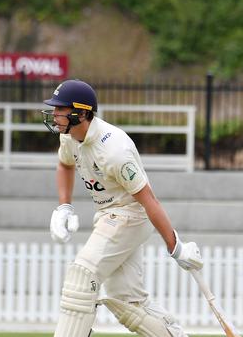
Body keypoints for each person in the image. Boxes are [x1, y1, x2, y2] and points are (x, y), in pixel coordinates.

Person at [41, 80, 203, 337]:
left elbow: (148, 199)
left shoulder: (113, 150)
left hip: (131, 215)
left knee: (82, 274)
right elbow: (65, 164)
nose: (55, 115)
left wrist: (176, 246)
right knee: (128, 303)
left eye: (60, 109)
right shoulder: (69, 137)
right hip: (108, 215)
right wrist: (64, 207)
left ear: (81, 113)